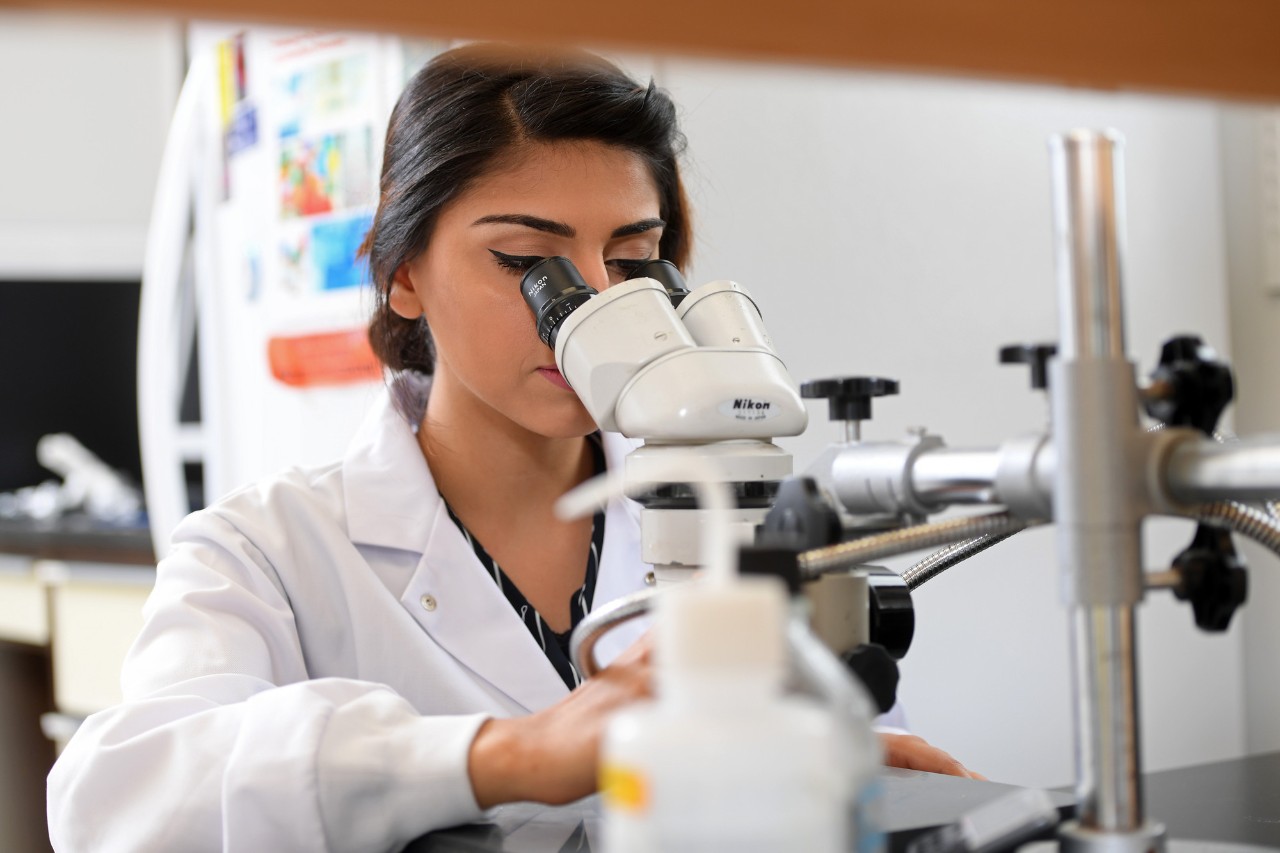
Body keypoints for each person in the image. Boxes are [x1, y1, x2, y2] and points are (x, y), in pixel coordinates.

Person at [47, 43, 977, 852]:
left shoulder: (735, 506)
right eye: (530, 263)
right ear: (402, 270)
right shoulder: (268, 549)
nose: (595, 307)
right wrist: (508, 754)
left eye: (632, 258)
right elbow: (117, 803)